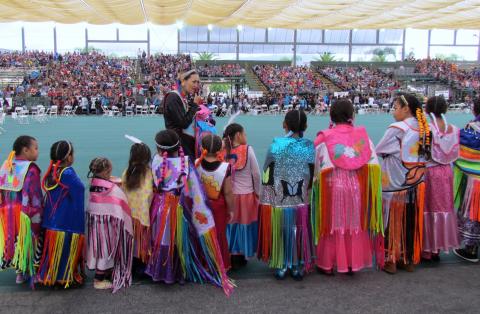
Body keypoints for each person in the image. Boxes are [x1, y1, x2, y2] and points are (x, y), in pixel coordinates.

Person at [146, 130, 233, 295]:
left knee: (162, 238)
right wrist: (202, 209)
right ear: (178, 146)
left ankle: (160, 270)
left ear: (158, 148)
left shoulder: (155, 161)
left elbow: (153, 185)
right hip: (179, 209)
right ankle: (178, 272)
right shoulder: (186, 163)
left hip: (160, 207)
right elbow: (195, 191)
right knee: (179, 238)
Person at [312, 99, 384, 275]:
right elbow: (373, 163)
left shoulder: (324, 137)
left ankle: (327, 264)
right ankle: (352, 262)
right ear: (352, 115)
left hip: (332, 186)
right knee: (352, 222)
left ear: (331, 115)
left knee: (332, 222)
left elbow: (317, 165)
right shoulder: (362, 136)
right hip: (356, 186)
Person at [257, 110, 315, 280]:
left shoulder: (276, 144)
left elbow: (267, 168)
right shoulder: (309, 145)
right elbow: (312, 172)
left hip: (280, 198)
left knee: (283, 229)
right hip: (301, 197)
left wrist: (267, 194)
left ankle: (283, 264)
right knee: (300, 228)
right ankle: (297, 264)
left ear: (285, 124)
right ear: (305, 126)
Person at [376, 93, 428, 274]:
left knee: (392, 219)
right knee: (410, 218)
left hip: (395, 181)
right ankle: (407, 258)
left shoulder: (397, 128)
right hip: (415, 183)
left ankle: (390, 259)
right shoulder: (423, 128)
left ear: (406, 109)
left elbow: (380, 149)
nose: (393, 111)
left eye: (396, 107)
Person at [37, 141, 85, 287]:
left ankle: (48, 275)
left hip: (52, 220)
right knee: (64, 251)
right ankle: (62, 277)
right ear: (69, 157)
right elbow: (80, 188)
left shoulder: (52, 171)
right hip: (65, 221)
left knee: (53, 252)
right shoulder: (68, 172)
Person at [0, 136, 43, 285]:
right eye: (35, 148)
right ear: (25, 150)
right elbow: (34, 193)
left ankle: (19, 273)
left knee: (15, 239)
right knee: (29, 240)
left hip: (8, 212)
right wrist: (37, 212)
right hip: (26, 212)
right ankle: (31, 272)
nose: (38, 151)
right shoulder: (31, 168)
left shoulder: (7, 164)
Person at [86, 157, 133, 292]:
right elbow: (121, 204)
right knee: (106, 249)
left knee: (98, 249)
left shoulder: (93, 184)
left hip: (96, 224)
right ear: (106, 172)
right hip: (107, 226)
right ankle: (98, 280)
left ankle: (105, 273)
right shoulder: (112, 189)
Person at [422, 96, 460, 261]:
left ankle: (427, 248)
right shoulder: (453, 129)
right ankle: (437, 247)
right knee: (442, 208)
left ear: (427, 110)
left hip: (430, 172)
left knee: (428, 208)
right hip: (446, 172)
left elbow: (421, 153)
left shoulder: (427, 129)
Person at [223, 123, 261, 269]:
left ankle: (231, 253)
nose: (246, 136)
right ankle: (242, 254)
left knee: (232, 225)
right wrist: (257, 192)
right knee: (244, 225)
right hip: (246, 195)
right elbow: (256, 174)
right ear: (238, 135)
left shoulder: (225, 151)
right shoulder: (248, 149)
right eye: (244, 133)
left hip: (231, 195)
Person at [195, 134, 235, 270]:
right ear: (219, 150)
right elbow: (228, 192)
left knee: (201, 232)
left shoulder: (196, 164)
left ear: (201, 148)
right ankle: (220, 264)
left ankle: (202, 263)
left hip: (200, 206)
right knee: (219, 235)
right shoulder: (225, 167)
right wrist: (231, 209)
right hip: (218, 206)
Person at [453, 97, 480, 262]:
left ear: (475, 110)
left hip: (475, 180)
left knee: (474, 214)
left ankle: (471, 249)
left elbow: (459, 150)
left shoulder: (472, 129)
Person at [122, 142, 153, 275]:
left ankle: (130, 265)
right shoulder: (149, 173)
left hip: (129, 215)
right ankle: (142, 266)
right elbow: (151, 195)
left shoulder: (127, 172)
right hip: (143, 216)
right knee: (142, 243)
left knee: (132, 242)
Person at [163, 70, 203, 159]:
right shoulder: (173, 97)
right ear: (183, 82)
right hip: (178, 146)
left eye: (198, 82)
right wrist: (195, 105)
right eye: (193, 82)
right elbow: (183, 123)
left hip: (185, 143)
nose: (196, 85)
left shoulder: (182, 98)